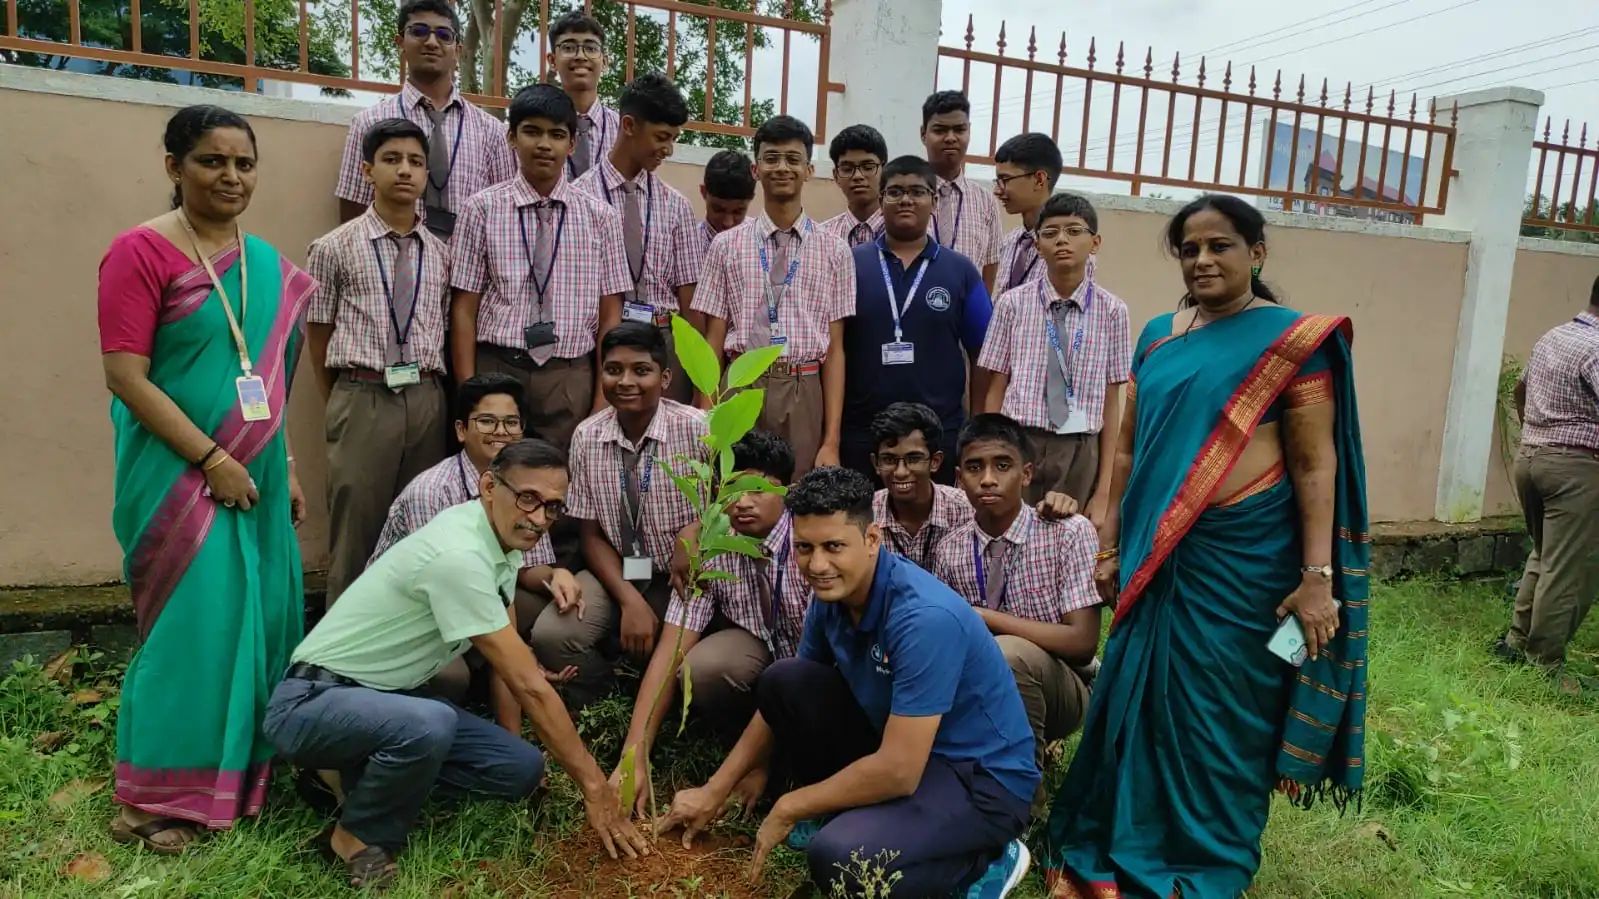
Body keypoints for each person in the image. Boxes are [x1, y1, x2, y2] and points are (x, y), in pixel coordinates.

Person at [1042, 195, 1369, 899]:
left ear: (1256, 252)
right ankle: (1119, 837)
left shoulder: (1294, 341)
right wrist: (1108, 543)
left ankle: (1207, 854)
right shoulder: (1158, 337)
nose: (1202, 260)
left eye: (1219, 246)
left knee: (1225, 713)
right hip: (1156, 562)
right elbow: (1125, 450)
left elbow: (1315, 464)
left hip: (1245, 566)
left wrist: (1317, 575)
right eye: (1189, 249)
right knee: (1138, 702)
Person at [263, 439, 649, 890]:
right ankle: (355, 836)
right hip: (312, 702)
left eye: (552, 507)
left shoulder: (497, 539)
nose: (539, 518)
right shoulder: (459, 556)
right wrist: (596, 788)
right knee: (430, 723)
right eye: (528, 498)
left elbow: (511, 663)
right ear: (489, 486)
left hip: (387, 702)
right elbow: (529, 686)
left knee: (520, 767)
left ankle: (348, 775)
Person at [658, 467, 1037, 899]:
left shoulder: (923, 619)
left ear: (872, 539)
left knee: (838, 859)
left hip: (978, 781)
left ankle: (986, 860)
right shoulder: (834, 594)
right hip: (900, 742)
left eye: (834, 546)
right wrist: (714, 789)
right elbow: (788, 698)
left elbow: (899, 771)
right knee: (784, 680)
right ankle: (860, 816)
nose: (817, 565)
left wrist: (792, 804)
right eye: (804, 547)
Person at [98, 105, 315, 851]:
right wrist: (211, 459)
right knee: (192, 629)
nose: (231, 176)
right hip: (176, 475)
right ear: (174, 166)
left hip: (256, 478)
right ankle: (150, 800)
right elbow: (125, 376)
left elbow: (271, 385)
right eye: (211, 161)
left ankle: (235, 781)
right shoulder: (139, 252)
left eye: (244, 163)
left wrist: (285, 467)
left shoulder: (268, 266)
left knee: (258, 623)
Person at [610, 431, 802, 815]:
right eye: (731, 490)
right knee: (701, 670)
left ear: (786, 491)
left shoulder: (810, 544)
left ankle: (773, 757)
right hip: (759, 646)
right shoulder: (710, 545)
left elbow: (812, 663)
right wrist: (634, 755)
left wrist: (757, 764)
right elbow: (671, 650)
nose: (742, 503)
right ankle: (742, 739)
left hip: (812, 666)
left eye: (757, 490)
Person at [310, 118, 451, 604]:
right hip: (363, 394)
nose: (404, 171)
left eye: (415, 162)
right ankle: (343, 642)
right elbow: (318, 334)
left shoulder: (441, 254)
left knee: (422, 526)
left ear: (427, 173)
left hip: (427, 397)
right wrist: (343, 400)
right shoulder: (333, 248)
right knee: (357, 531)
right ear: (368, 171)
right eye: (392, 160)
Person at [367, 373, 573, 706]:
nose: (501, 432)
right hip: (413, 612)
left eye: (511, 423)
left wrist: (556, 574)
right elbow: (446, 592)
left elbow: (527, 569)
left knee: (549, 608)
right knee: (452, 677)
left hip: (472, 596)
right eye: (487, 421)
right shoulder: (432, 491)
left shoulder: (524, 484)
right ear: (462, 430)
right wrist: (517, 655)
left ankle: (494, 682)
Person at [932, 413, 1099, 817]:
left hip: (1063, 685)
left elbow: (1082, 643)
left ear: (1026, 474)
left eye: (1002, 466)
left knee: (1008, 655)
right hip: (981, 686)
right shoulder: (951, 549)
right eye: (975, 468)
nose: (988, 479)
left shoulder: (1067, 531)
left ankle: (1022, 806)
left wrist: (987, 618)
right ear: (959, 478)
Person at [450, 83, 630, 450]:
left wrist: (601, 399)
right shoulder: (481, 210)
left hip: (569, 375)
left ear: (572, 144)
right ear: (512, 137)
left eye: (557, 135)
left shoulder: (601, 217)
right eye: (532, 132)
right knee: (493, 474)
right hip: (498, 366)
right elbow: (464, 308)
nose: (544, 144)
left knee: (559, 477)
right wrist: (469, 392)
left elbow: (610, 314)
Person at [691, 115, 854, 476]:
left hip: (802, 386)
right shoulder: (726, 245)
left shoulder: (835, 251)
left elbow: (835, 349)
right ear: (756, 169)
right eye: (771, 158)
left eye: (793, 159)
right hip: (740, 381)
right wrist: (705, 411)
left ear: (809, 170)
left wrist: (831, 439)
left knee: (798, 493)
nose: (782, 167)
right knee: (733, 491)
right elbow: (714, 337)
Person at [561, 322, 710, 708]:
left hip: (681, 576)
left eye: (641, 370)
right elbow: (590, 534)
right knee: (554, 636)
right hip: (621, 570)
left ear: (665, 378)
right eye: (613, 370)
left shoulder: (697, 430)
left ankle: (665, 691)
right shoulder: (587, 437)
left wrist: (695, 528)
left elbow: (727, 506)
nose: (626, 381)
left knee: (699, 661)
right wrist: (629, 601)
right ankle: (610, 687)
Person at [840, 155, 991, 483]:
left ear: (934, 202)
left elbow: (982, 353)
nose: (906, 199)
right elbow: (834, 346)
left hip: (939, 435)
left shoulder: (961, 271)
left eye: (917, 191)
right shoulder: (849, 264)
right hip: (862, 433)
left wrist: (976, 424)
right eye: (895, 192)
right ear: (881, 200)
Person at [978, 193, 1130, 517]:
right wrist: (991, 454)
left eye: (1074, 231)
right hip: (1018, 440)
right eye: (1050, 232)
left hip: (1079, 448)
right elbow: (996, 387)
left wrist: (1103, 491)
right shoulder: (1011, 304)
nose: (1062, 240)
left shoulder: (1113, 311)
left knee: (1067, 533)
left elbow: (1111, 401)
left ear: (1095, 243)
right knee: (1010, 528)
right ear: (1037, 245)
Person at [1493, 274, 1599, 692]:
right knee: (1570, 568)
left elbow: (1520, 391)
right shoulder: (1596, 348)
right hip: (1576, 467)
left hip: (1533, 458)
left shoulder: (1554, 336)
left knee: (1545, 555)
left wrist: (1535, 434)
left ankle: (1517, 642)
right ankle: (1545, 663)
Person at [334, 0, 513, 238]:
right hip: (394, 258)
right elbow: (353, 210)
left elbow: (505, 213)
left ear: (457, 50)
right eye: (419, 31)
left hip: (468, 259)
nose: (431, 42)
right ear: (400, 42)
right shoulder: (369, 123)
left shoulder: (491, 131)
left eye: (444, 35)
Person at [573, 72, 699, 404]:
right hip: (601, 342)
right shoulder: (578, 200)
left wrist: (698, 381)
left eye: (673, 138)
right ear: (628, 125)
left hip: (663, 339)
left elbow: (689, 300)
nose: (668, 149)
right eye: (662, 137)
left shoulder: (676, 206)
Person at [869, 403, 973, 566]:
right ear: (876, 463)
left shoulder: (967, 512)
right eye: (889, 460)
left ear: (935, 462)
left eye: (913, 459)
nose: (900, 472)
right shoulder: (864, 515)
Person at [921, 90, 1002, 292]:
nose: (950, 138)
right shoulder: (905, 196)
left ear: (969, 132)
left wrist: (980, 307)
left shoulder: (986, 201)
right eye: (940, 130)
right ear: (923, 134)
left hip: (966, 307)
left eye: (959, 129)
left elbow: (990, 265)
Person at [675, 148, 756, 330]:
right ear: (703, 192)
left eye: (738, 212)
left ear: (751, 199)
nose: (728, 222)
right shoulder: (687, 244)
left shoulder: (761, 243)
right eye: (718, 209)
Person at [548, 11, 619, 180]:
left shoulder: (624, 131)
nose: (580, 56)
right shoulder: (538, 128)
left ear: (605, 62)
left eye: (591, 48)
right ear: (552, 61)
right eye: (568, 48)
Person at [992, 133, 1064, 294]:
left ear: (1039, 180)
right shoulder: (1010, 242)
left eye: (1005, 180)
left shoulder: (1067, 249)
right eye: (997, 181)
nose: (997, 190)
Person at [821, 124, 889, 247]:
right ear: (836, 175)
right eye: (847, 169)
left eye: (868, 167)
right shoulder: (821, 238)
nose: (858, 176)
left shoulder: (908, 235)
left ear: (885, 171)